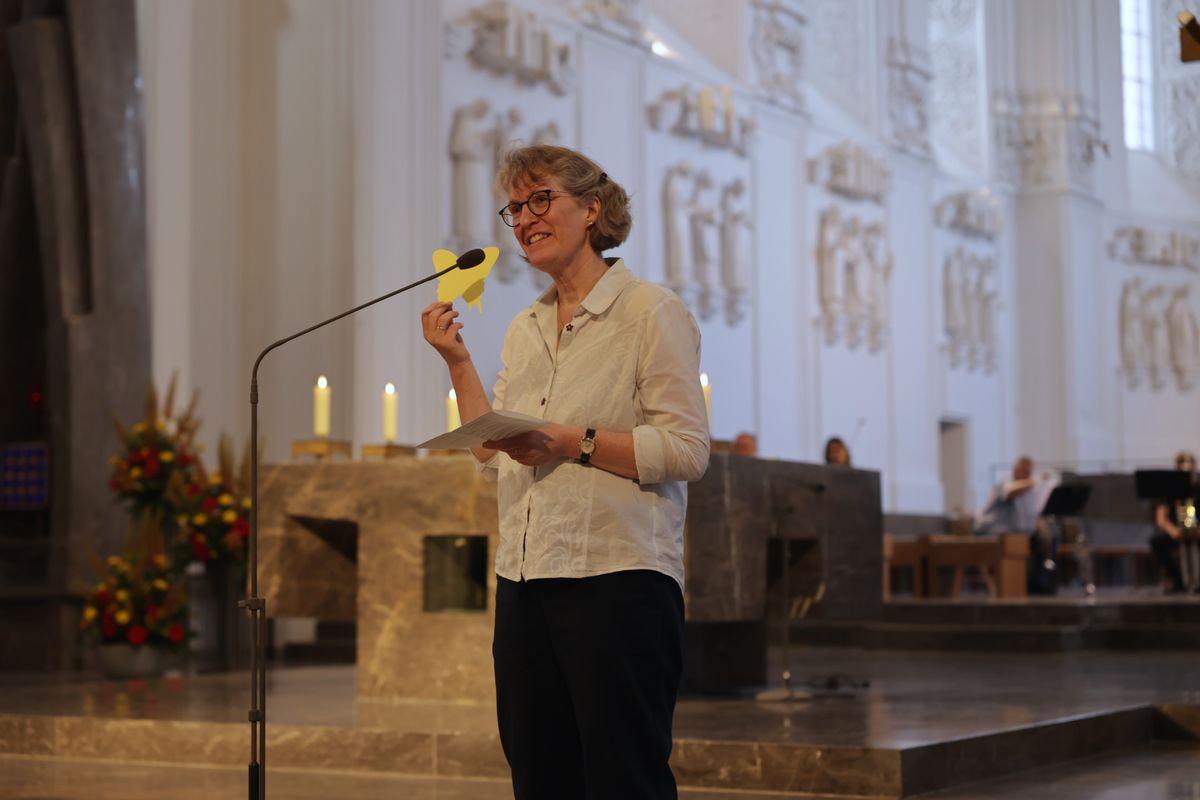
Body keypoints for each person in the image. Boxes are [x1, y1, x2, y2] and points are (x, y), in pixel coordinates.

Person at [421, 144, 709, 800]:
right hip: (525, 582)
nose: (524, 219)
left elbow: (686, 450)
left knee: (622, 779)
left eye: (540, 199)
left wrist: (568, 441)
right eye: (515, 208)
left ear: (592, 207)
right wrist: (457, 363)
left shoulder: (649, 312)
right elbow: (490, 453)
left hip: (617, 580)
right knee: (539, 777)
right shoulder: (524, 328)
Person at [975, 456, 1059, 593]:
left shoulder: (1030, 491)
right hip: (996, 532)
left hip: (1020, 534)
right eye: (1023, 471)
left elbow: (1032, 514)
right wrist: (1035, 481)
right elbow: (1010, 492)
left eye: (1029, 472)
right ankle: (1021, 586)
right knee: (1020, 543)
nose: (1026, 475)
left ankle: (1038, 584)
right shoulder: (1005, 484)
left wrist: (1038, 524)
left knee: (1051, 536)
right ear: (1015, 470)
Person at [1150, 450, 1196, 593]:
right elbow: (1161, 518)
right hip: (1177, 532)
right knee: (1157, 542)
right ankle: (1178, 580)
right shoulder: (1168, 492)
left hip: (1196, 532)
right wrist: (1173, 531)